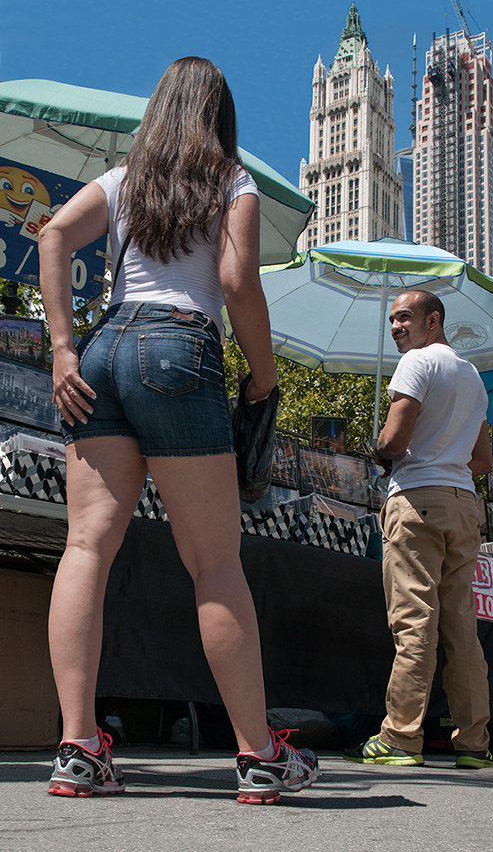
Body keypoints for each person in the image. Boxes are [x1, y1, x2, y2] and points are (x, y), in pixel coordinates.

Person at [38, 57, 318, 803]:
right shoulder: (233, 181)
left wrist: (63, 348)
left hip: (102, 351)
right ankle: (259, 754)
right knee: (215, 564)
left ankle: (76, 745)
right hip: (181, 348)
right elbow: (234, 283)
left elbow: (54, 237)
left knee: (86, 547)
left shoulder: (125, 178)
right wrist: (262, 375)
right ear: (220, 116)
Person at [343, 290, 493, 769]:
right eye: (391, 319)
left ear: (434, 321)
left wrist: (381, 449)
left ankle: (402, 738)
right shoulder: (472, 376)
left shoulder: (416, 363)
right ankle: (474, 743)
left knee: (414, 621)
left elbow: (394, 438)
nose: (395, 327)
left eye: (404, 317)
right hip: (462, 504)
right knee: (461, 627)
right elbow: (483, 460)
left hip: (416, 500)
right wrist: (444, 459)